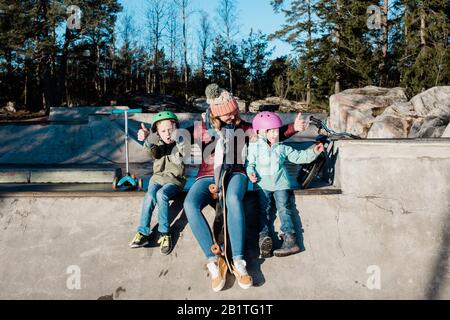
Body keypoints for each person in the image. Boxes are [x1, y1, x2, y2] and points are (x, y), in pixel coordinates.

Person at [183, 84, 308, 292]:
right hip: (207, 174)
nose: (233, 118)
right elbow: (172, 138)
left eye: (235, 113)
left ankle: (239, 261)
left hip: (236, 173)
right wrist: (155, 138)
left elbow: (269, 133)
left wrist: (293, 128)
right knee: (189, 204)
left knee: (233, 199)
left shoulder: (243, 128)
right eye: (228, 115)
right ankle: (214, 259)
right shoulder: (201, 127)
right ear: (216, 114)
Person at [246, 111, 324, 258]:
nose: (276, 134)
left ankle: (290, 239)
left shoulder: (282, 147)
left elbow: (299, 157)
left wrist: (314, 151)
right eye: (272, 131)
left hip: (281, 184)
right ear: (261, 132)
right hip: (262, 185)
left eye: (277, 130)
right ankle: (263, 238)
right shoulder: (254, 148)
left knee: (284, 208)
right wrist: (250, 174)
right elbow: (250, 164)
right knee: (263, 210)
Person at [129, 111, 186, 255]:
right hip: (157, 178)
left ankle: (164, 233)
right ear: (158, 132)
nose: (168, 134)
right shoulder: (157, 142)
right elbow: (152, 153)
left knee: (161, 195)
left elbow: (176, 149)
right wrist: (148, 140)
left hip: (175, 180)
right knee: (150, 195)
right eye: (163, 131)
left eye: (170, 130)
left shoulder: (181, 140)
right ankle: (143, 232)